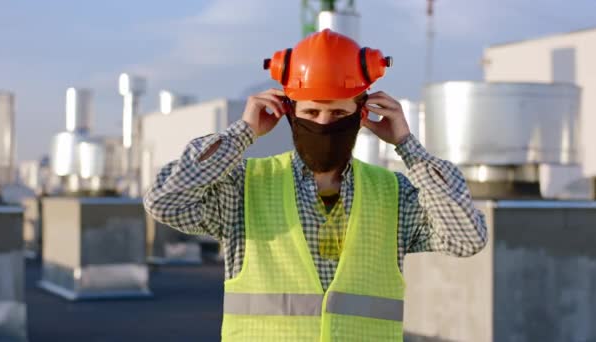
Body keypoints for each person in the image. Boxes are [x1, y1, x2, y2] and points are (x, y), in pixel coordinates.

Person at [143, 29, 487, 341]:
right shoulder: (243, 188)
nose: (324, 123)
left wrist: (407, 146)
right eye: (311, 114)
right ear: (290, 113)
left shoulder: (395, 195)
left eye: (338, 114)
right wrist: (243, 134)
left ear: (361, 115)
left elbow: (466, 239)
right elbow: (165, 202)